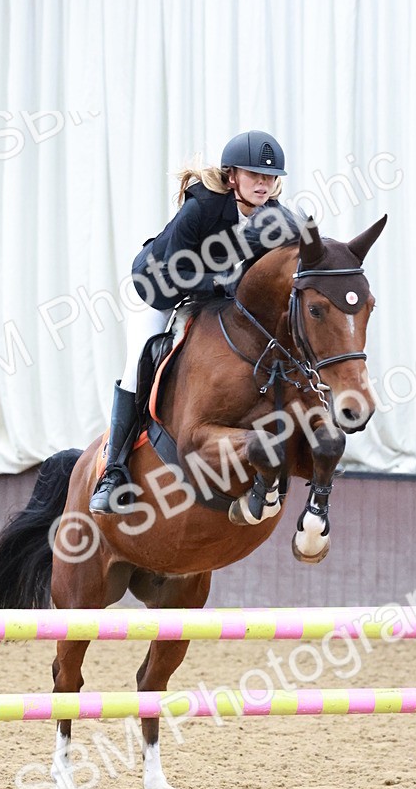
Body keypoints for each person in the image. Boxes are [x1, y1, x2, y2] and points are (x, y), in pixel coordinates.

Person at [90, 129, 298, 515]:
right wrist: (222, 282)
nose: (264, 184)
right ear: (232, 175)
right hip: (159, 286)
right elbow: (172, 272)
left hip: (215, 297)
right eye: (255, 176)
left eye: (270, 178)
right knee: (139, 363)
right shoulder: (201, 205)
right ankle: (113, 473)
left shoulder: (276, 219)